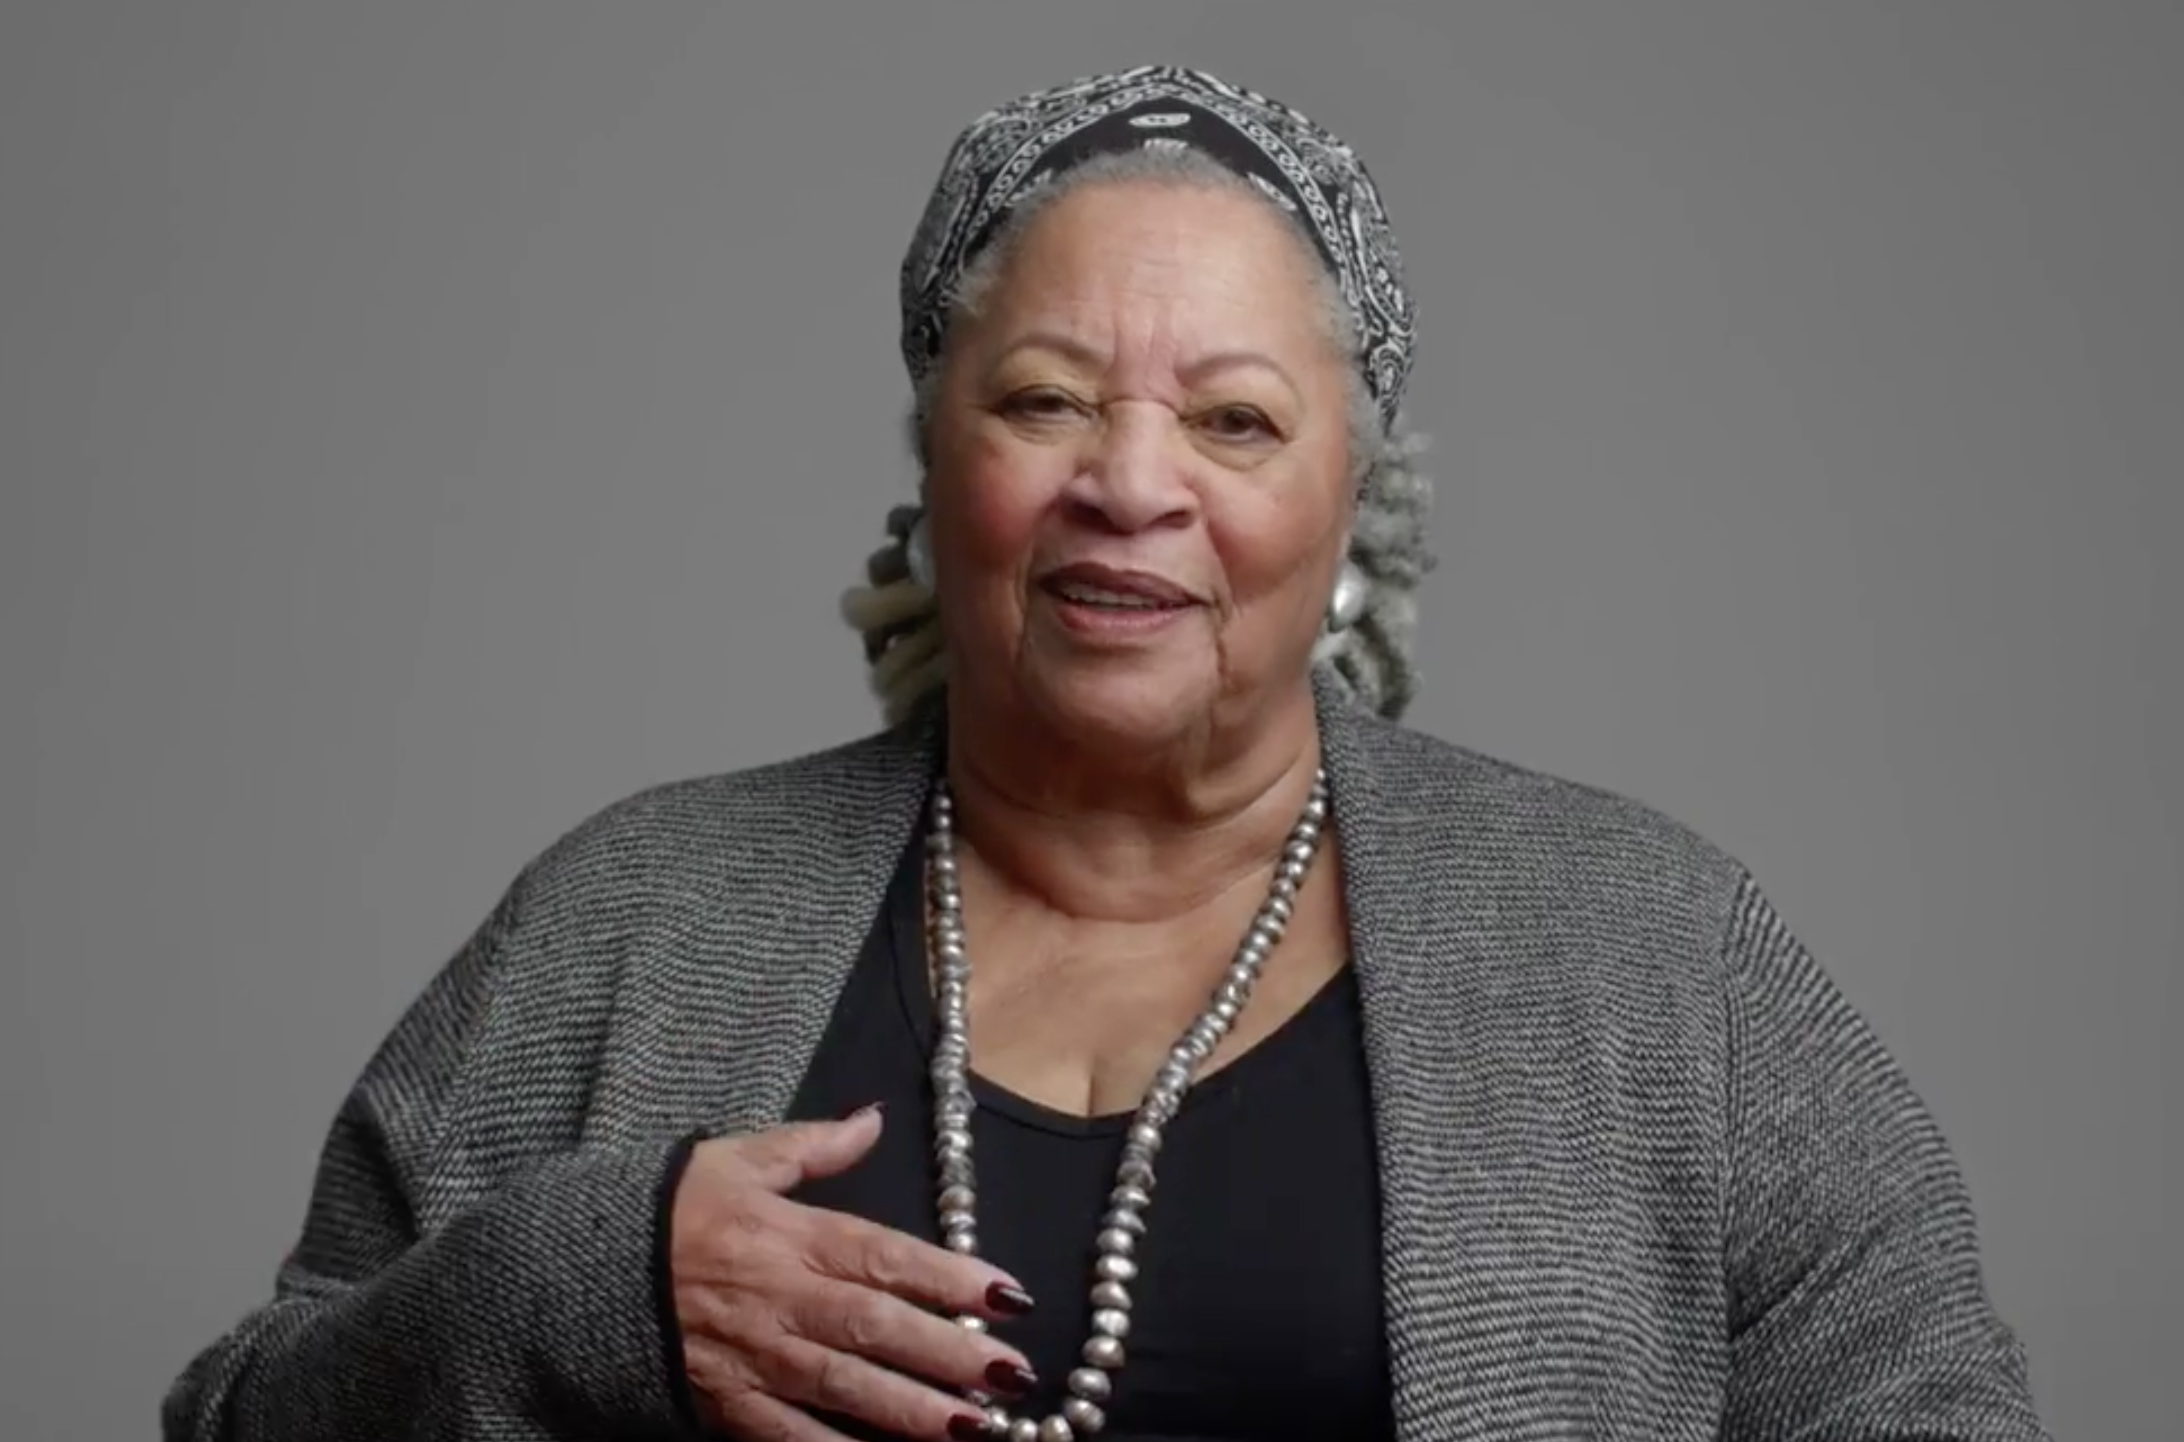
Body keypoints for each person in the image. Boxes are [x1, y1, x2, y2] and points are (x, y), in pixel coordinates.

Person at [161, 64, 2051, 1442]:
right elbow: (238, 1416)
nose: (1129, 484)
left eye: (1233, 420)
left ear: (1351, 503)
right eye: (1047, 398)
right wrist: (571, 1291)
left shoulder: (1649, 951)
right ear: (936, 463)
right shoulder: (627, 921)